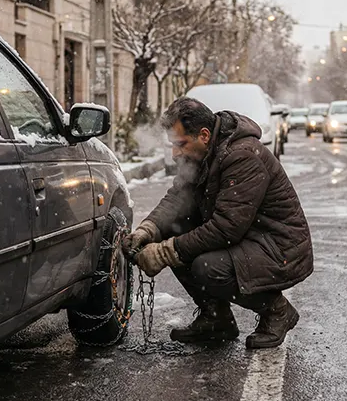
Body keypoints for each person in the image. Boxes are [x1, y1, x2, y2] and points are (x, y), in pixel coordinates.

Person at [123, 97, 313, 349]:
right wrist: (149, 229)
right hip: (249, 238)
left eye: (180, 144)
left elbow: (227, 228)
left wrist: (165, 252)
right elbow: (176, 200)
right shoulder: (200, 154)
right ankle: (216, 319)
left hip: (278, 246)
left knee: (206, 267)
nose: (174, 153)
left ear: (203, 135)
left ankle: (277, 311)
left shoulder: (243, 156)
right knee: (172, 230)